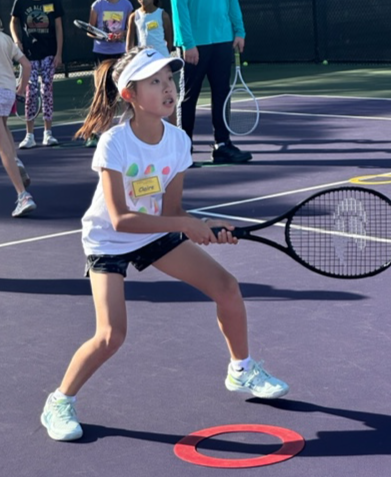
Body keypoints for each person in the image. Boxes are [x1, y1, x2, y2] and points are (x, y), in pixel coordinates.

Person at [40, 47, 289, 442]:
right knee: (111, 335)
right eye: (155, 82)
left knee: (227, 288)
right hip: (108, 240)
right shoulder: (114, 144)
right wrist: (188, 225)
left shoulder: (177, 141)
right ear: (130, 96)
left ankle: (241, 370)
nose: (168, 88)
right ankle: (59, 401)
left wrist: (201, 226)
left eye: (169, 80)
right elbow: (121, 218)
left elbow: (171, 209)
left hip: (154, 232)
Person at [171, 0, 253, 164]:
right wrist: (188, 43)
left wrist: (239, 31)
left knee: (222, 94)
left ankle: (222, 145)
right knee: (189, 96)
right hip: (194, 44)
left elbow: (232, 3)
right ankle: (183, 150)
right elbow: (179, 8)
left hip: (223, 39)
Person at [10, 0, 64, 149]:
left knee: (47, 90)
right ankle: (30, 136)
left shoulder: (53, 1)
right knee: (31, 93)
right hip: (28, 55)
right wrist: (17, 41)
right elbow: (13, 22)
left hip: (49, 54)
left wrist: (59, 53)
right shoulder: (20, 2)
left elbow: (59, 26)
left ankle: (48, 133)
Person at [84, 0, 133, 147]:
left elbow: (130, 29)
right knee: (102, 94)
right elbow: (89, 30)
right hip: (101, 53)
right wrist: (103, 36)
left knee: (125, 91)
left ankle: (128, 131)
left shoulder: (127, 5)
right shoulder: (97, 5)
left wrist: (121, 34)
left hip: (120, 54)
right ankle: (93, 133)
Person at [0, 17, 36, 217]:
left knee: (2, 146)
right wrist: (21, 89)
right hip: (7, 93)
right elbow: (27, 65)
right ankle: (16, 161)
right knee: (4, 128)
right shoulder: (6, 39)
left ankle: (23, 196)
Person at [126, 0, 176, 124]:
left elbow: (169, 40)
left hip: (162, 61)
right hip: (144, 63)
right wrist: (131, 59)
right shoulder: (134, 16)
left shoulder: (162, 14)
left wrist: (163, 56)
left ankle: (175, 127)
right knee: (145, 96)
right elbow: (129, 44)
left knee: (168, 94)